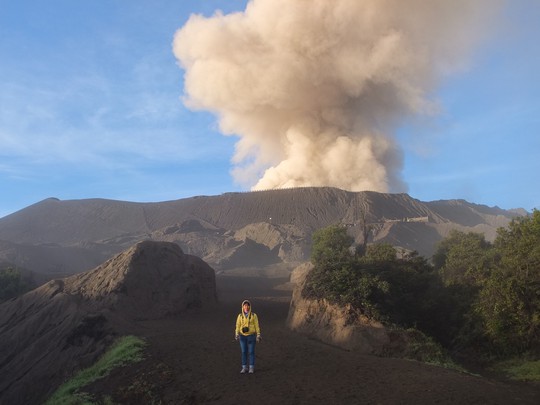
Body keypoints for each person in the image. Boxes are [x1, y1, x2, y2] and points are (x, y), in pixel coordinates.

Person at [235, 299, 261, 374]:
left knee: (251, 351)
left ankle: (251, 367)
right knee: (243, 351)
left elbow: (257, 325)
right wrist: (236, 334)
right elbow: (237, 325)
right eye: (245, 306)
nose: (246, 307)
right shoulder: (240, 316)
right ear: (242, 307)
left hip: (251, 336)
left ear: (249, 307)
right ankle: (244, 367)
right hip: (242, 336)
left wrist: (258, 334)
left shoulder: (253, 315)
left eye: (247, 305)